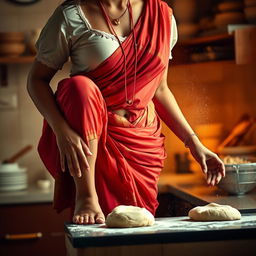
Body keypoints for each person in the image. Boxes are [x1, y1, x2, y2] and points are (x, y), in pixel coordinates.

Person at [27, 0, 225, 225]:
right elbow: (36, 80)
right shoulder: (71, 15)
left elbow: (159, 89)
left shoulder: (161, 15)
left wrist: (194, 142)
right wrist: (62, 131)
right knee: (79, 87)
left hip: (140, 144)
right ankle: (86, 195)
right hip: (92, 139)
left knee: (138, 230)